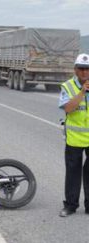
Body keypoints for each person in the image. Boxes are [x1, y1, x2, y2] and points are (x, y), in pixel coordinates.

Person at [58, 53, 89, 217]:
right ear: (75, 70)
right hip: (74, 138)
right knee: (73, 173)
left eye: (87, 69)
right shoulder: (68, 86)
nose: (85, 72)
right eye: (81, 69)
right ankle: (70, 205)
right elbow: (68, 108)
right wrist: (82, 92)